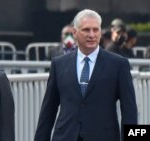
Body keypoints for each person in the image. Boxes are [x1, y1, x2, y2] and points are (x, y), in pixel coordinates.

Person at [34, 9, 137, 141]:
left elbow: (130, 110)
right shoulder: (59, 64)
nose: (92, 35)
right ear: (75, 33)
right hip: (65, 136)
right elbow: (48, 111)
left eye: (96, 30)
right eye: (86, 30)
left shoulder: (118, 64)